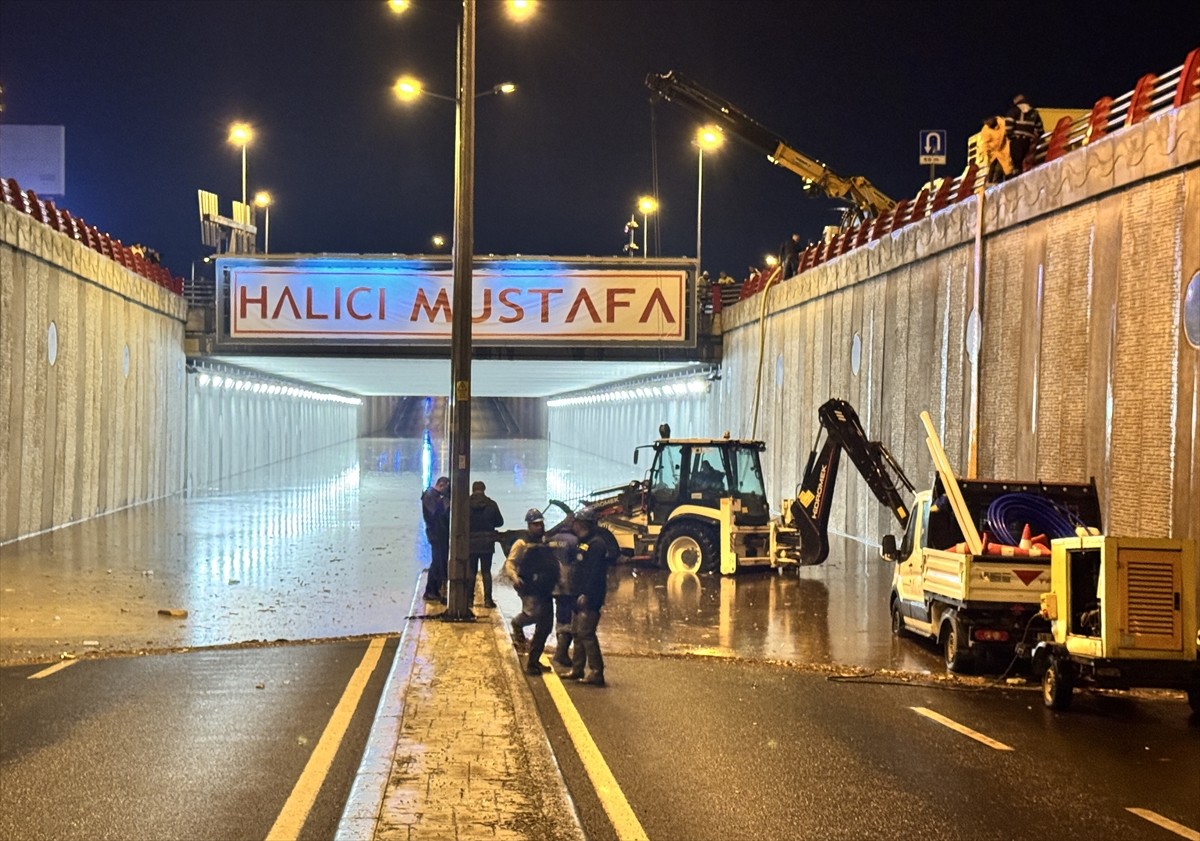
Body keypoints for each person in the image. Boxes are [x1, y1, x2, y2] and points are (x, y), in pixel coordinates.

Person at [559, 507, 612, 687]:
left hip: (590, 598)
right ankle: (577, 669)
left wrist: (586, 594)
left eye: (575, 522)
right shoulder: (582, 542)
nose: (573, 525)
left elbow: (594, 574)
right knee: (576, 633)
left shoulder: (596, 545)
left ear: (582, 523)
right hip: (577, 595)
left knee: (586, 634)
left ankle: (596, 672)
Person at [504, 508, 547, 650]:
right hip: (526, 584)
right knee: (532, 614)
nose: (539, 527)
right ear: (529, 525)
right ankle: (517, 625)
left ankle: (533, 645)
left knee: (543, 617)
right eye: (536, 524)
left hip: (542, 584)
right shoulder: (521, 543)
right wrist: (514, 577)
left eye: (541, 524)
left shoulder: (544, 541)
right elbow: (510, 563)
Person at [547, 523, 580, 669]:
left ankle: (560, 651)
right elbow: (579, 562)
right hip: (570, 585)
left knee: (560, 617)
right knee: (570, 619)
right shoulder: (575, 541)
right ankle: (562, 653)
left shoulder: (551, 540)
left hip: (554, 584)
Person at [467, 480, 504, 608]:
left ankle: (469, 600)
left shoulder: (466, 504)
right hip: (487, 543)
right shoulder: (491, 504)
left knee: (471, 571)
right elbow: (500, 522)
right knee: (486, 572)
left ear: (472, 490)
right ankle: (488, 600)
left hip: (471, 542)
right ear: (484, 489)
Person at [420, 476, 451, 604]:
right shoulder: (430, 495)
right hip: (436, 534)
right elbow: (436, 513)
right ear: (442, 485)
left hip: (438, 534)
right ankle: (431, 591)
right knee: (438, 561)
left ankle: (434, 590)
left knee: (439, 561)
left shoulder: (433, 495)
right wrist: (445, 501)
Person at [1005, 94, 1044, 176]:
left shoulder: (1014, 111)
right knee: (1026, 158)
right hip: (1028, 140)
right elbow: (1039, 128)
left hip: (1017, 140)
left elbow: (1009, 124)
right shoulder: (1034, 112)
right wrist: (1038, 136)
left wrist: (1010, 136)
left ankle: (1017, 173)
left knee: (1017, 161)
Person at [980, 116, 1012, 185]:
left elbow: (1008, 133)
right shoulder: (985, 131)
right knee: (992, 168)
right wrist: (986, 154)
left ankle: (998, 182)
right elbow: (985, 144)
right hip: (993, 153)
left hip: (1004, 149)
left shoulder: (1003, 123)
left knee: (1002, 168)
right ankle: (990, 182)